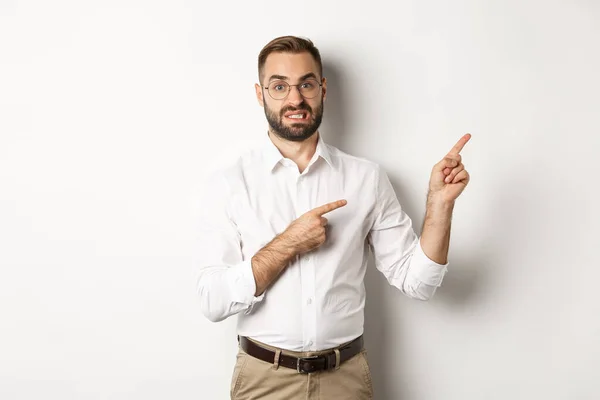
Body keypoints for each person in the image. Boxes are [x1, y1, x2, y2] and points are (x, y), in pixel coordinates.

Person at [195, 35, 471, 400]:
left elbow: (417, 283)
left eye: (306, 84)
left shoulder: (366, 178)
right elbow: (213, 300)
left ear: (322, 89)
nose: (295, 99)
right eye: (280, 86)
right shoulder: (229, 181)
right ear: (261, 95)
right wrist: (288, 243)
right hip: (264, 380)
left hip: (346, 379)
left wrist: (439, 205)